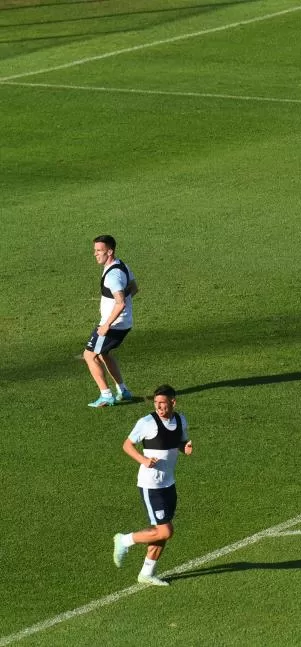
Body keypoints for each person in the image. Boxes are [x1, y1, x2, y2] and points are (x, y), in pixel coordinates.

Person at [112, 385, 193, 587]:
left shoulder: (180, 420)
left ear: (173, 402)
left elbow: (179, 443)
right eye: (156, 403)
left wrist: (186, 448)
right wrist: (143, 460)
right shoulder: (147, 422)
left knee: (161, 531)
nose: (158, 407)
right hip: (151, 485)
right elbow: (127, 445)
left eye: (162, 403)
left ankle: (146, 573)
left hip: (169, 483)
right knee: (165, 531)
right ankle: (124, 540)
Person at [84, 234, 139, 407]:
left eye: (99, 250)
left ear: (110, 251)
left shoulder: (112, 276)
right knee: (104, 354)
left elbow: (120, 303)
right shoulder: (122, 265)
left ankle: (106, 395)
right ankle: (123, 391)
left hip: (113, 324)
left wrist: (106, 325)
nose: (95, 254)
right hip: (124, 323)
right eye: (95, 250)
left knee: (90, 355)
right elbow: (135, 288)